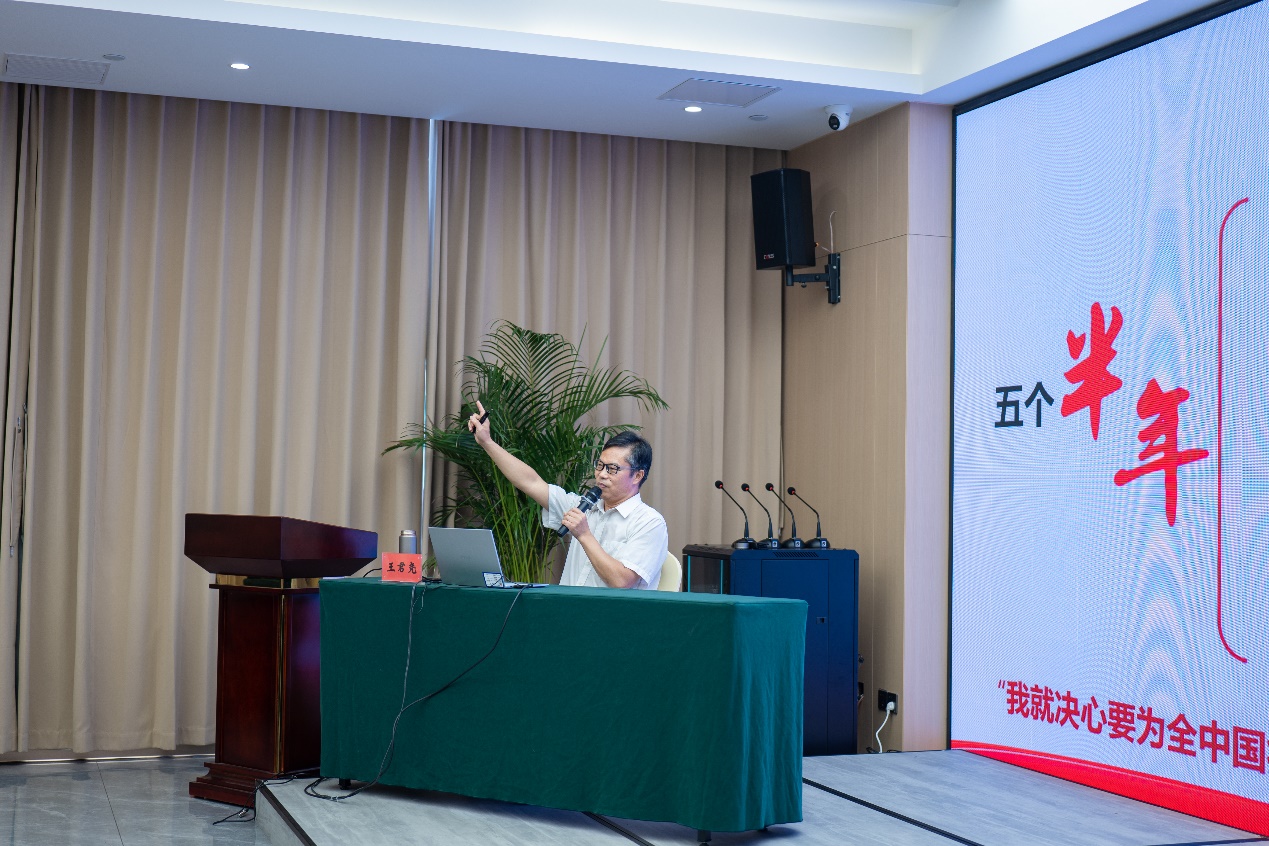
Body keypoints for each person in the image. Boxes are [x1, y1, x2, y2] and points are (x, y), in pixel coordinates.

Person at [467, 400, 668, 589]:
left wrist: (584, 534)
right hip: (565, 609)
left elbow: (622, 581)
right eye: (599, 465)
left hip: (609, 614)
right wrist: (487, 442)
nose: (602, 474)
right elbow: (530, 482)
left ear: (637, 475)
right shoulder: (582, 506)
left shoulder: (649, 522)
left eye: (612, 469)